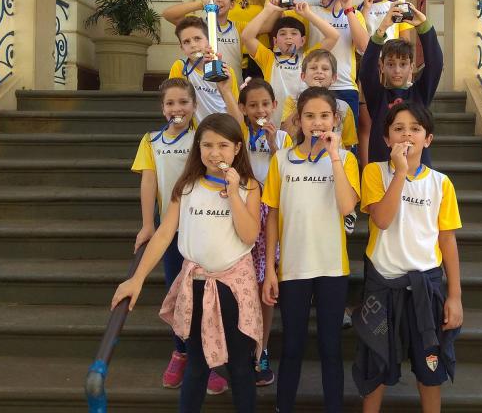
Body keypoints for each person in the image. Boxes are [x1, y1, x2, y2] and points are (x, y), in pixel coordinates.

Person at [112, 114, 263, 413]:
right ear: (198, 148)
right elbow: (164, 233)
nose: (215, 153)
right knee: (196, 364)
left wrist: (233, 193)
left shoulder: (249, 187)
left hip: (234, 288)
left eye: (223, 145)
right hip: (195, 285)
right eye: (207, 145)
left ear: (237, 148)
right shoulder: (186, 187)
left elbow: (249, 235)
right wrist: (137, 279)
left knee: (240, 366)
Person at [354, 102, 463, 413]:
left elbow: (447, 239)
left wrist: (454, 296)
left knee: (430, 366)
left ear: (427, 139)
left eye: (415, 129)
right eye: (398, 129)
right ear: (386, 138)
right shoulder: (374, 172)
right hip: (382, 283)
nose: (406, 135)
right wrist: (400, 172)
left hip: (425, 284)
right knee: (375, 363)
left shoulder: (441, 183)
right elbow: (382, 220)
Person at [262, 87, 361, 412]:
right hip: (292, 268)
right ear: (298, 120)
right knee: (292, 346)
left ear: (335, 120)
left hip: (332, 267)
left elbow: (347, 207)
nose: (317, 123)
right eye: (309, 116)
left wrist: (334, 156)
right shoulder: (281, 160)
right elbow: (272, 215)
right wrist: (270, 269)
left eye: (324, 116)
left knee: (331, 347)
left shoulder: (346, 159)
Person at [227, 78, 294, 387]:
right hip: (242, 215)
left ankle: (261, 349)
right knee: (240, 286)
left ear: (275, 105)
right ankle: (239, 348)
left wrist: (273, 145)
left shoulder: (283, 137)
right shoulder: (237, 137)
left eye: (265, 104)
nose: (260, 110)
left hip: (271, 218)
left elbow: (288, 175)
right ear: (242, 108)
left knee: (265, 288)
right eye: (252, 105)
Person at [359, 3, 443, 166]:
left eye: (403, 64)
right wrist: (382, 29)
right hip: (382, 171)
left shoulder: (420, 94)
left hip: (416, 173)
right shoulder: (377, 96)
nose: (397, 70)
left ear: (411, 67)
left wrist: (423, 26)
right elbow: (366, 70)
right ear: (382, 67)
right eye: (390, 64)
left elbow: (436, 64)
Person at [241, 0, 339, 127]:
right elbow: (246, 36)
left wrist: (308, 14)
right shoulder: (268, 58)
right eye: (282, 34)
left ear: (303, 41)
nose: (288, 37)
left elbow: (333, 36)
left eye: (294, 33)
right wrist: (267, 10)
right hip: (273, 124)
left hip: (300, 124)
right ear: (275, 41)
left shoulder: (308, 59)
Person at [355, 0, 415, 165]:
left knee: (395, 118)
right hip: (369, 69)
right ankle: (368, 170)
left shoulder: (397, 6)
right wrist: (364, 8)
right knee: (366, 123)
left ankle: (400, 163)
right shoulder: (358, 8)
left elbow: (406, 41)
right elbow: (357, 39)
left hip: (393, 68)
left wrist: (406, 70)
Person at [307, 0, 369, 125]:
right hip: (314, 85)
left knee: (347, 138)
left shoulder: (355, 15)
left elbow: (363, 47)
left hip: (345, 86)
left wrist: (348, 10)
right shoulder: (309, 12)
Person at [163, 0, 247, 85]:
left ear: (232, 4)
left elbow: (265, 25)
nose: (218, 0)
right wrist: (201, 4)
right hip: (204, 90)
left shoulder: (239, 27)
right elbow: (168, 14)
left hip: (232, 88)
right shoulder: (197, 25)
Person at [279, 48, 357, 152]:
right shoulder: (292, 102)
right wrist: (305, 101)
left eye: (325, 69)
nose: (319, 72)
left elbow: (348, 144)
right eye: (313, 68)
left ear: (334, 78)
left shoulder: (344, 107)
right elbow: (286, 134)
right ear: (303, 76)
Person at [169, 16, 239, 123]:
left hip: (223, 129)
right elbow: (174, 108)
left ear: (209, 41)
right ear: (182, 48)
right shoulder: (180, 67)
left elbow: (238, 119)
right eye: (186, 42)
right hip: (194, 131)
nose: (193, 45)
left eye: (197, 38)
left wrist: (225, 91)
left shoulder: (226, 71)